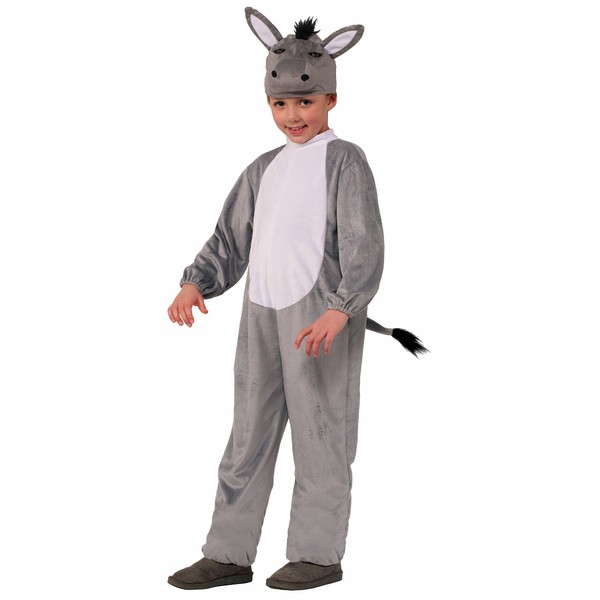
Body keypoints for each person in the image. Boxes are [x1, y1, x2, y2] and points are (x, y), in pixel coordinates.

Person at [166, 7, 425, 591]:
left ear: (331, 99)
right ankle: (228, 553)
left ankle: (317, 553)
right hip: (260, 315)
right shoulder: (262, 170)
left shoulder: (346, 161)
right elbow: (230, 239)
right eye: (280, 104)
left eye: (305, 102)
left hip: (321, 317)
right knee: (247, 435)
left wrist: (342, 307)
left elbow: (363, 241)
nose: (293, 115)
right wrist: (195, 281)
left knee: (320, 432)